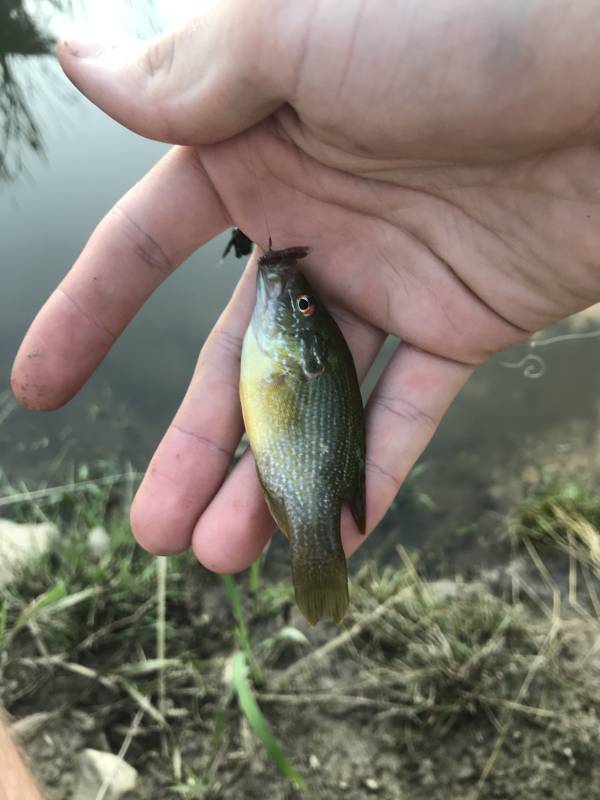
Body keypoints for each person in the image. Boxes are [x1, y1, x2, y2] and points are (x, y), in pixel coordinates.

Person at [7, 0, 600, 791]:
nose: (290, 296)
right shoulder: (284, 345)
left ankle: (315, 554)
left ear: (304, 335)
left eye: (303, 309)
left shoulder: (279, 347)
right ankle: (316, 554)